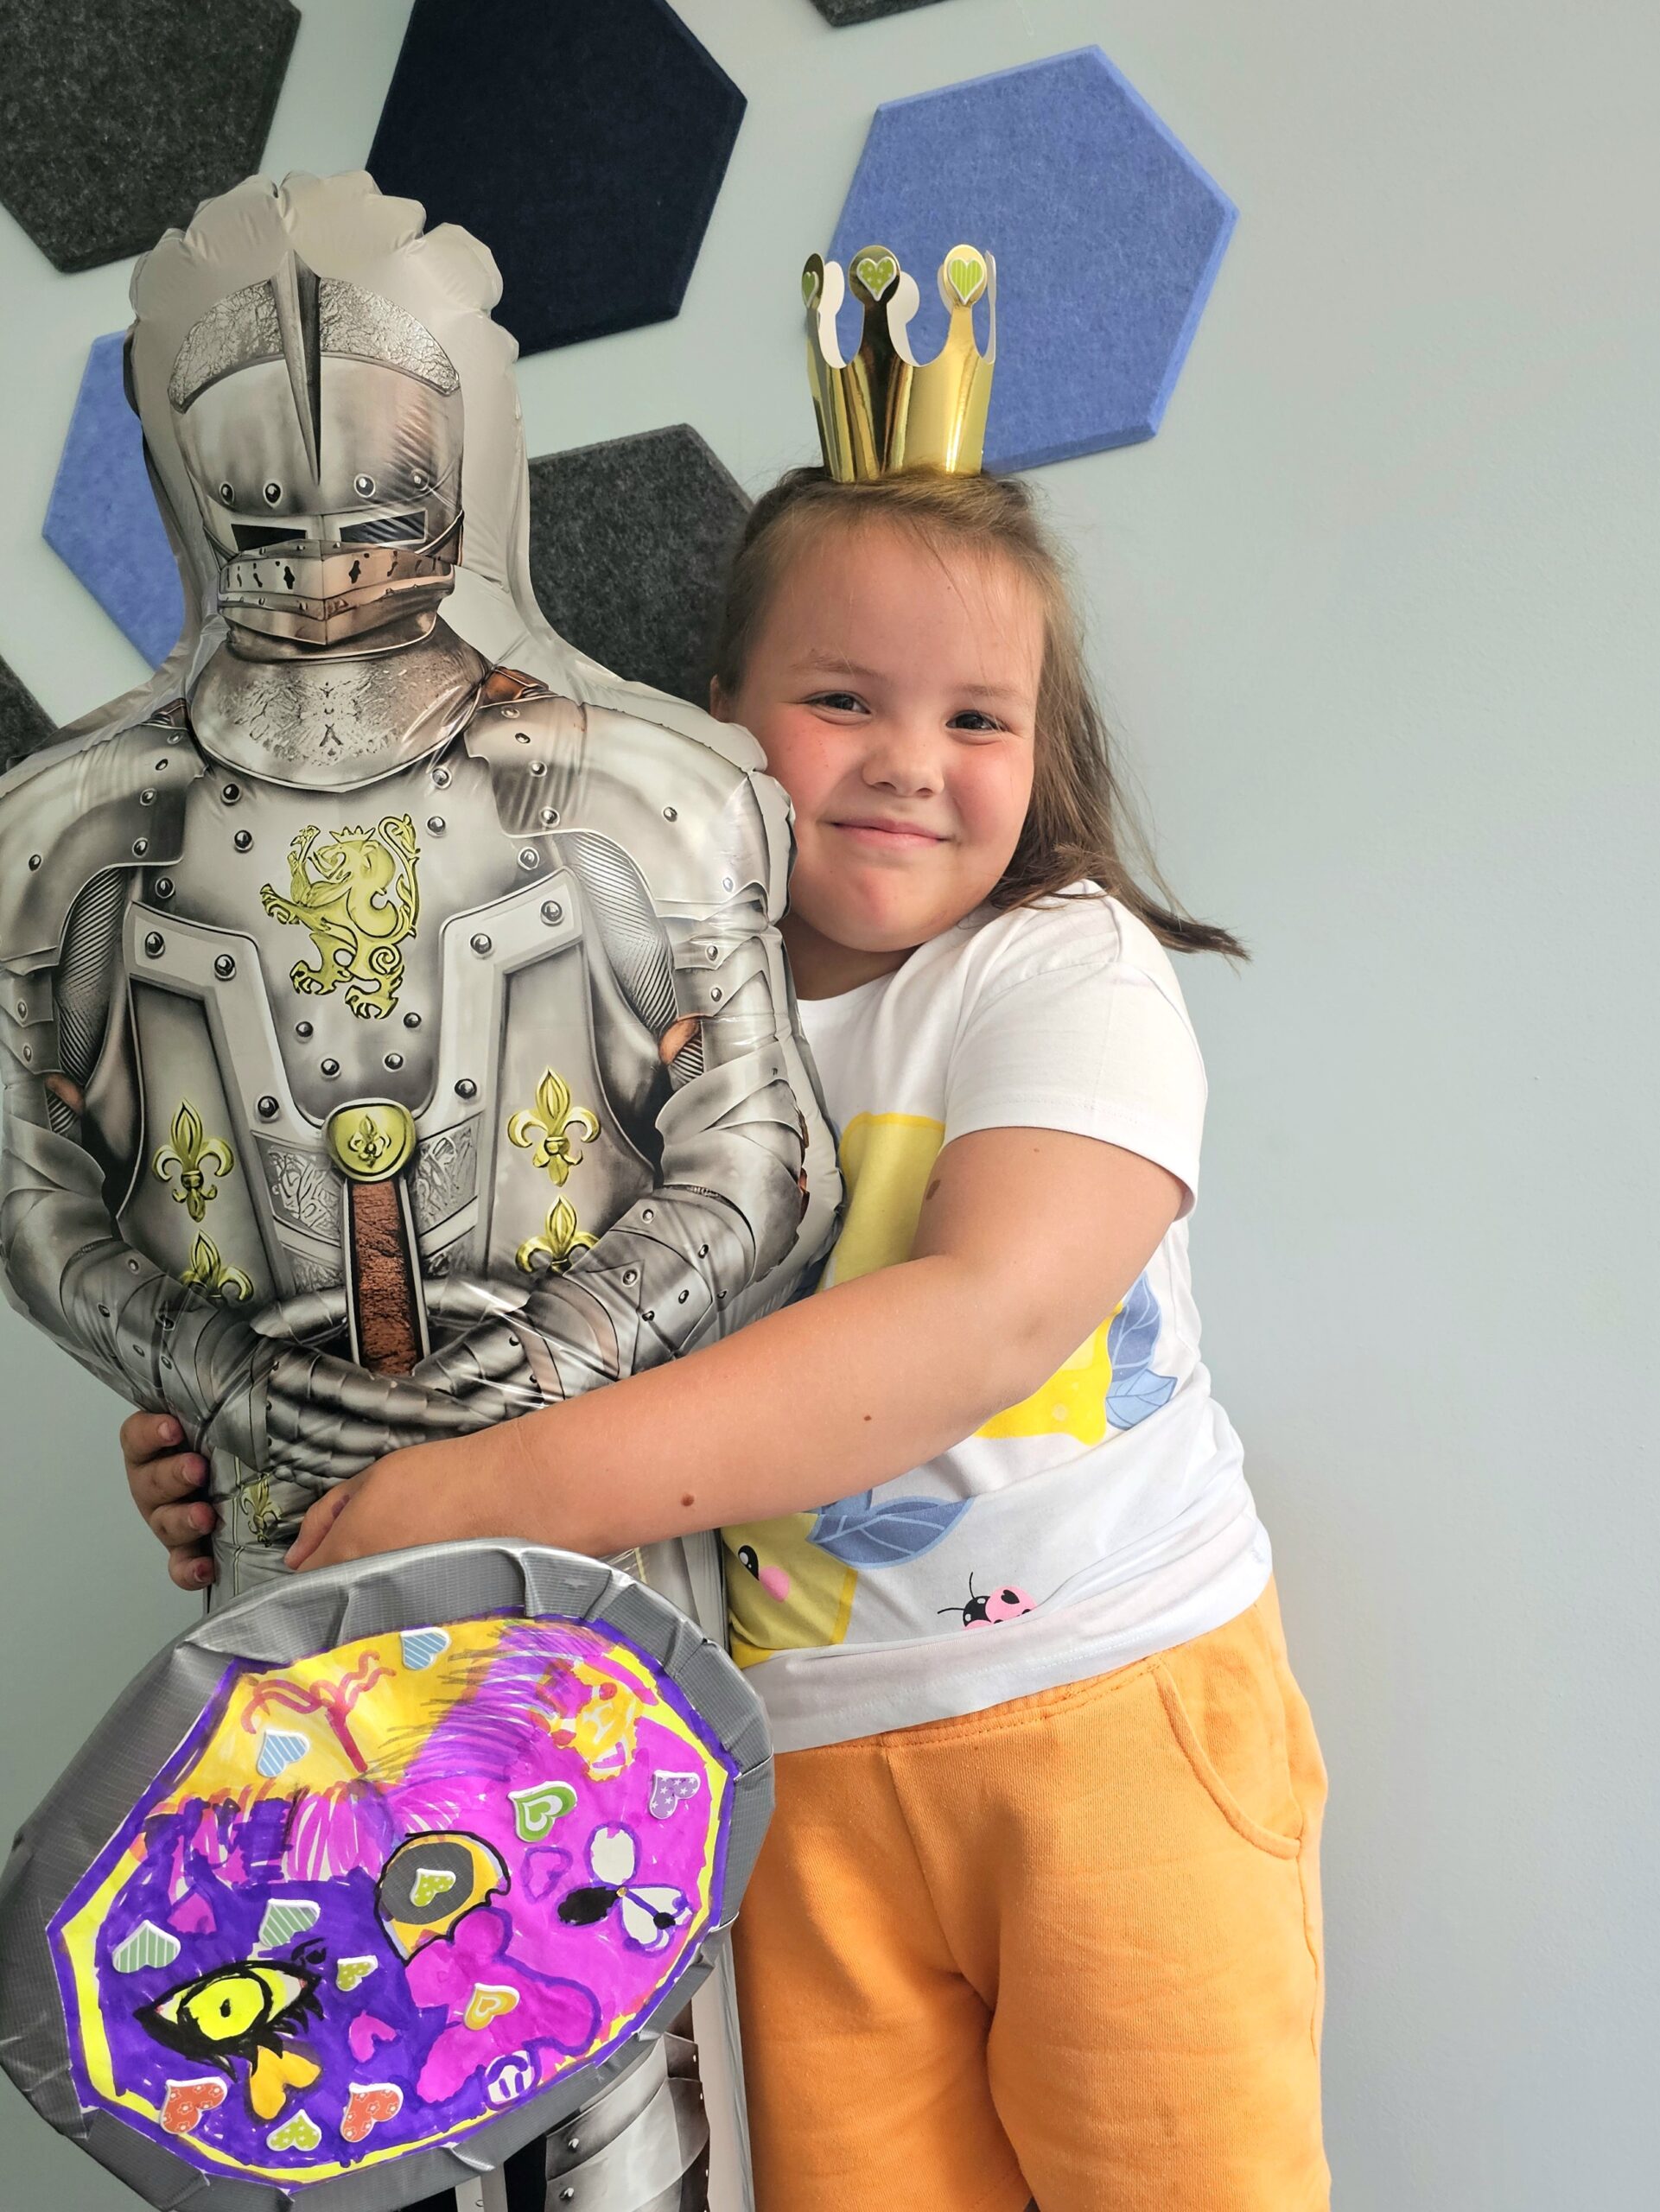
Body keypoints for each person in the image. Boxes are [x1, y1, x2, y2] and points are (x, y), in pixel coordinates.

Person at [124, 243, 1329, 2212]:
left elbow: (982, 1311)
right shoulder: (640, 1019)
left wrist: (495, 1487)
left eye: (977, 718)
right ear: (719, 728)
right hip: (784, 1766)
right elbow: (474, 1309)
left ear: (1042, 752)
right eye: (842, 699)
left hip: (1105, 1712)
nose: (910, 761)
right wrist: (253, 1450)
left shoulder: (1061, 968)